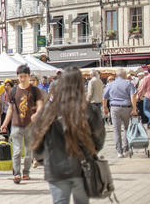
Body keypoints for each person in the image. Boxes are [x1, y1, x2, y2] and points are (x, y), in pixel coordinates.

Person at [30, 67, 106, 204]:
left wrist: (42, 159)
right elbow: (99, 139)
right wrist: (90, 151)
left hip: (55, 167)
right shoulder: (89, 109)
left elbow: (36, 137)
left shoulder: (49, 110)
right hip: (82, 166)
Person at [0, 64, 44, 183]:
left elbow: (40, 105)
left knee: (29, 152)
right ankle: (17, 174)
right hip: (16, 125)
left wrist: (37, 114)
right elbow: (10, 109)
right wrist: (4, 124)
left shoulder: (35, 90)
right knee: (17, 151)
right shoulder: (13, 91)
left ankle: (26, 172)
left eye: (24, 76)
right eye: (20, 76)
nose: (22, 79)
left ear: (29, 76)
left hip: (30, 126)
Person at [102, 68, 138, 157]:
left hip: (114, 108)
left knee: (116, 130)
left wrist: (105, 107)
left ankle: (119, 152)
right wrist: (134, 109)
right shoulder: (129, 83)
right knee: (126, 128)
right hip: (126, 107)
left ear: (116, 75)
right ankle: (126, 149)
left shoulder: (110, 84)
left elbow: (104, 97)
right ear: (125, 75)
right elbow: (133, 96)